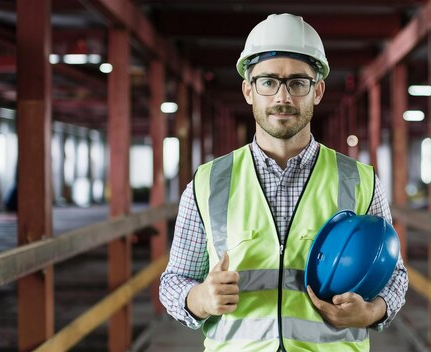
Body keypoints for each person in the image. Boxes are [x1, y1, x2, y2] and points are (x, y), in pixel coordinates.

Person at [160, 13, 408, 352]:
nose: (282, 97)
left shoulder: (359, 180)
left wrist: (371, 311)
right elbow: (174, 280)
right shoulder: (209, 182)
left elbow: (395, 276)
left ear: (317, 91)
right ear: (249, 90)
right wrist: (198, 298)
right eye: (268, 82)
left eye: (297, 82)